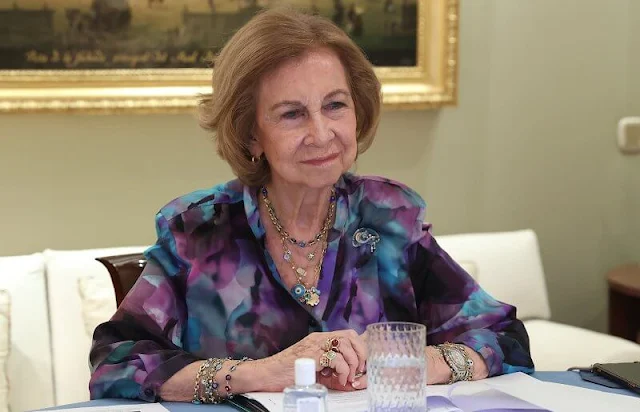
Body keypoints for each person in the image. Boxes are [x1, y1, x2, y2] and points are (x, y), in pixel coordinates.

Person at [88, 8, 534, 404]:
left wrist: (420, 361)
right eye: (291, 114)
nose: (322, 134)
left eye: (335, 105)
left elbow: (504, 337)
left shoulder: (387, 217)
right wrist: (262, 374)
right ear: (251, 135)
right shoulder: (200, 229)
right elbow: (118, 363)